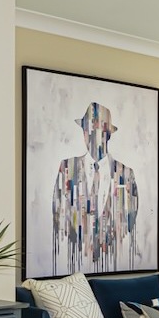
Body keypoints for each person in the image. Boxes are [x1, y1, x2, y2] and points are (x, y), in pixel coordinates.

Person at [51, 102, 142, 272]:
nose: (90, 136)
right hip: (73, 263)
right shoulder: (67, 168)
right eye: (87, 131)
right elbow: (58, 215)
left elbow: (130, 219)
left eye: (97, 132)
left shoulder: (126, 174)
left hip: (113, 260)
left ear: (107, 135)